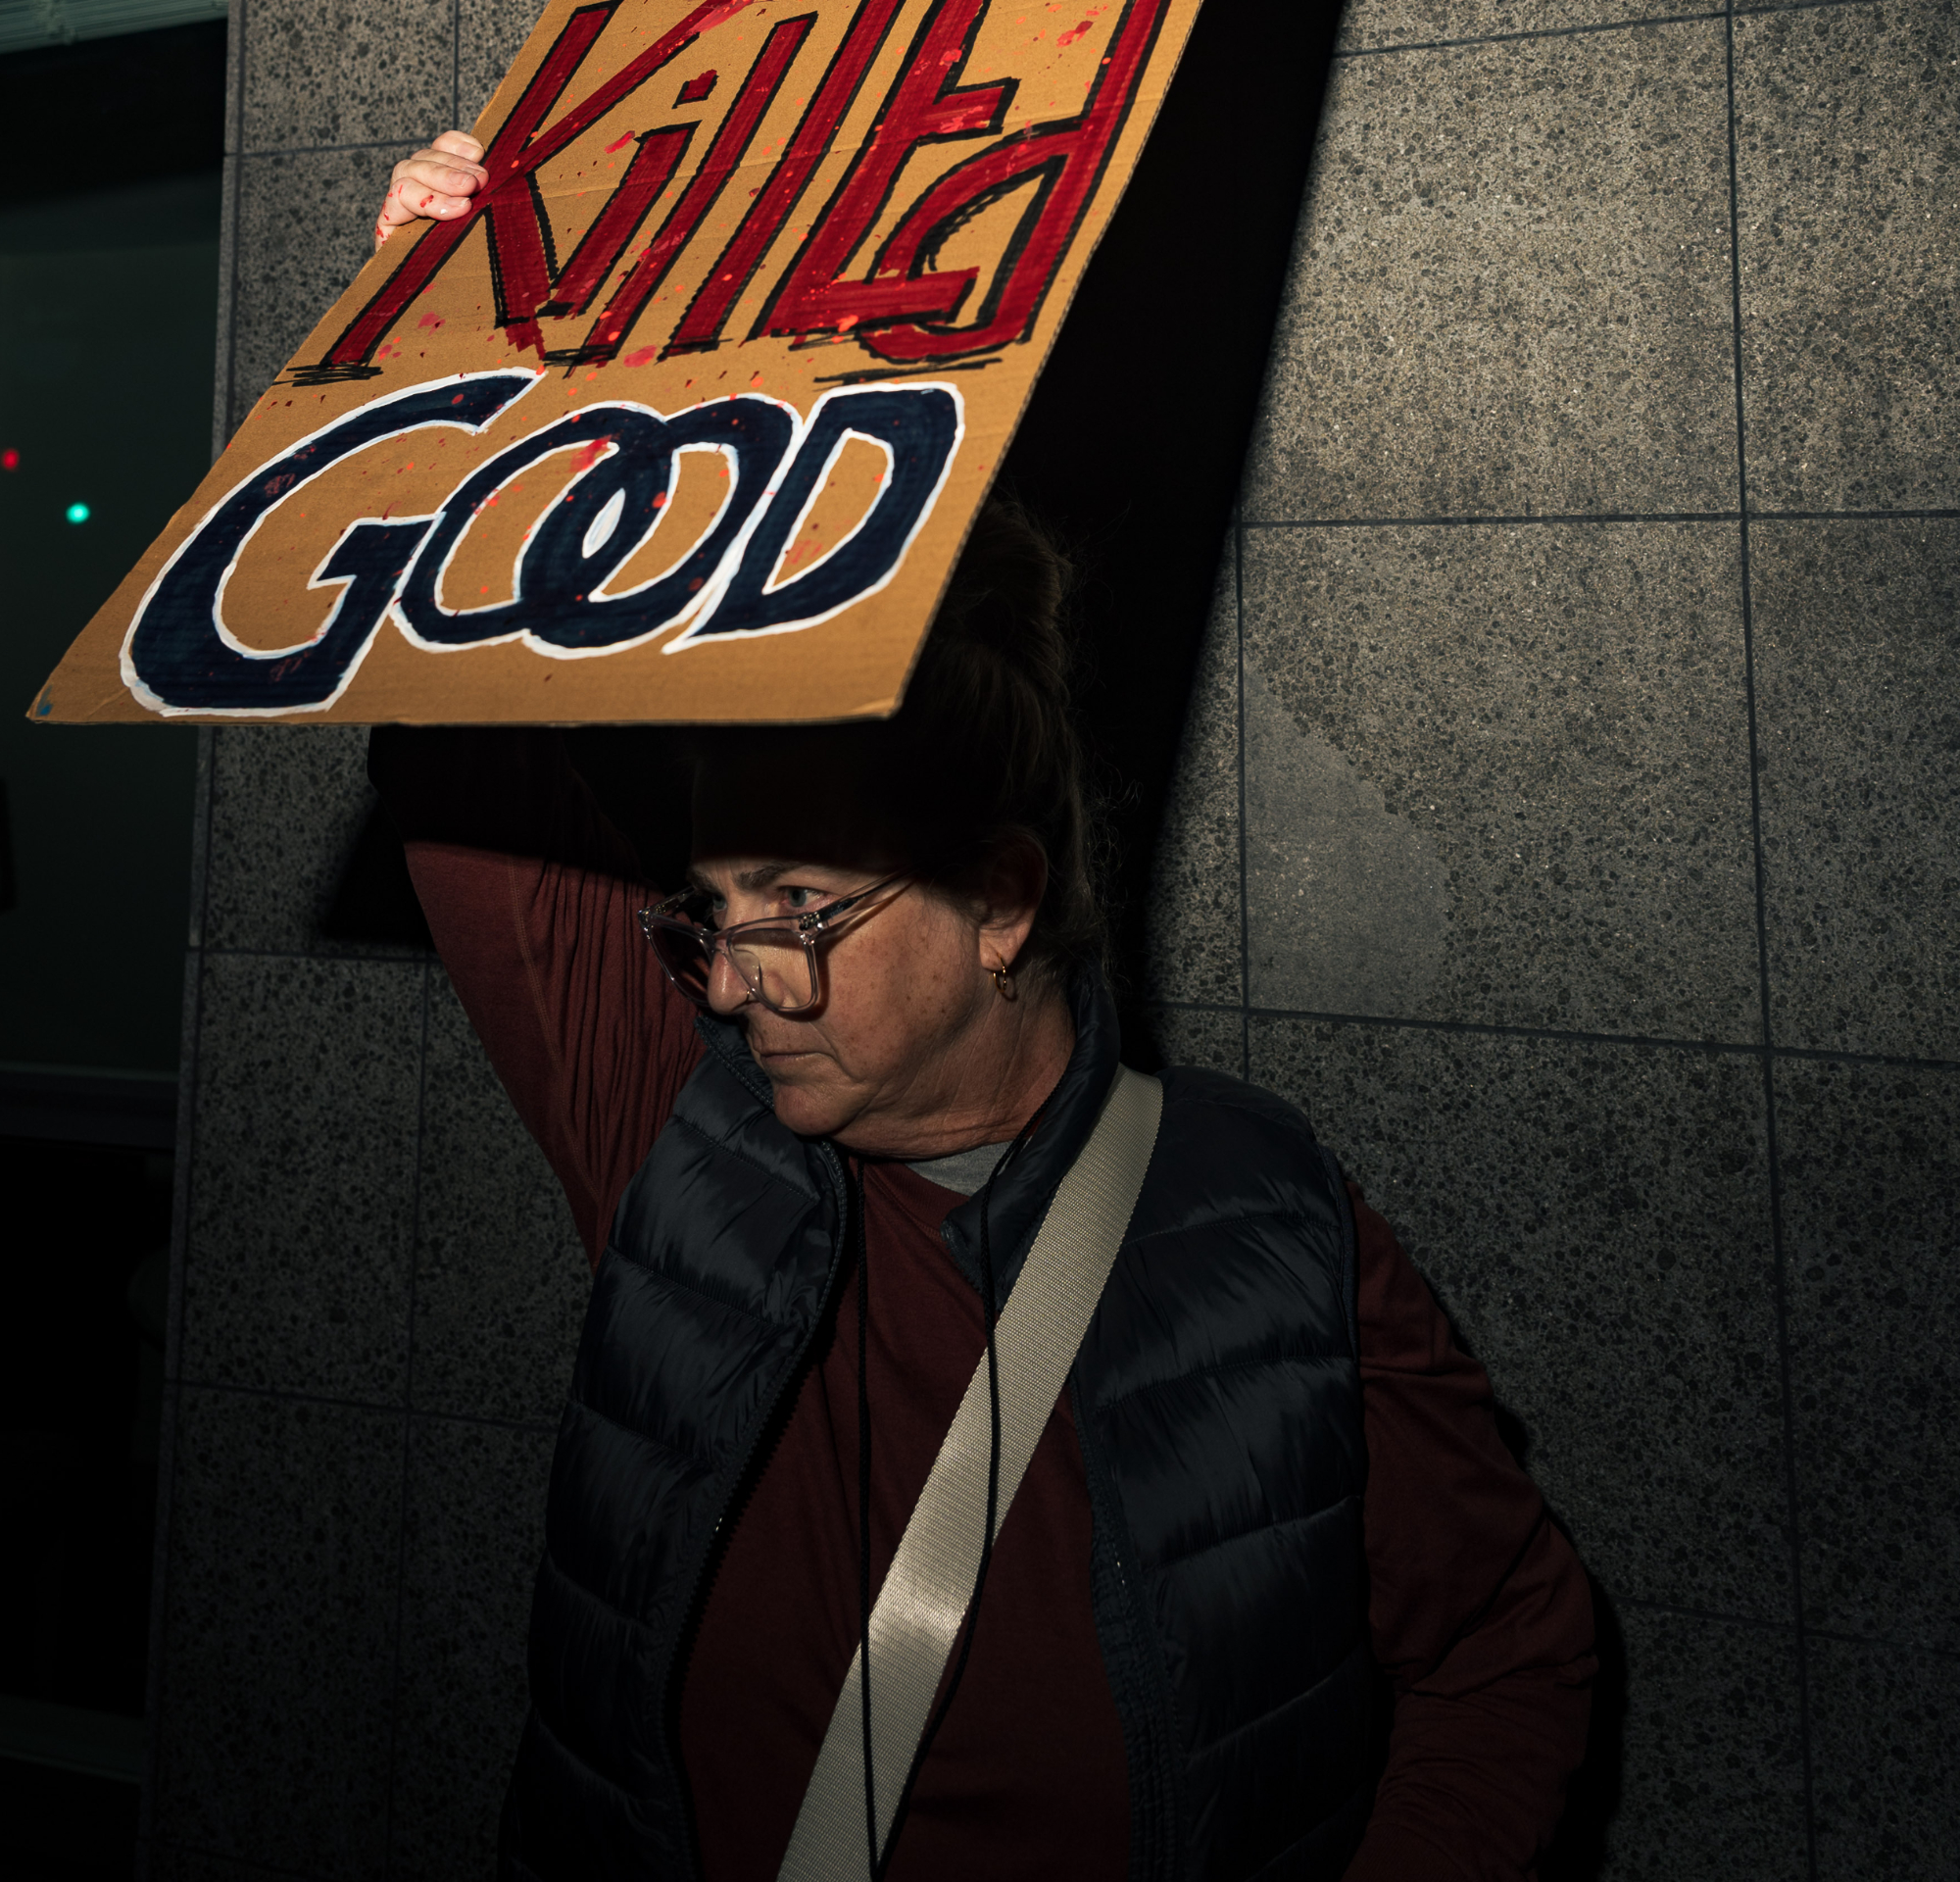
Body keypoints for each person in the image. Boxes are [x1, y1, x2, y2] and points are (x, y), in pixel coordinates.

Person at [368, 143, 1596, 1882]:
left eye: (799, 915)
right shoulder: (682, 1134)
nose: (733, 984)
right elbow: (446, 708)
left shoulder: (1264, 1222)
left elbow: (1506, 1651)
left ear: (1004, 899)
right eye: (708, 917)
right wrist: (452, 346)